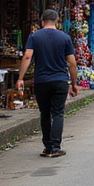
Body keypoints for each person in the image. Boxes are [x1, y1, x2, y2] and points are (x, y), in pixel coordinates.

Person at [17, 8, 78, 157]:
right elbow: (72, 63)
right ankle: (55, 147)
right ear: (57, 20)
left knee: (44, 113)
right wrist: (74, 83)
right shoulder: (64, 37)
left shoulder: (34, 36)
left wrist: (20, 78)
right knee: (57, 113)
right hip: (60, 80)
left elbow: (27, 57)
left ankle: (47, 146)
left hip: (41, 81)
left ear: (42, 21)